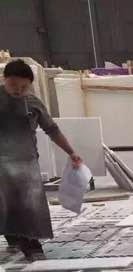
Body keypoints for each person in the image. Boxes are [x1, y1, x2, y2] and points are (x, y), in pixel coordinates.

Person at [1, 59, 83, 260]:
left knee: (30, 204)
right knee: (6, 203)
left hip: (26, 162)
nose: (18, 90)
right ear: (4, 80)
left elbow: (52, 129)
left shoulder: (33, 103)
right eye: (13, 85)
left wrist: (71, 152)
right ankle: (13, 236)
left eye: (24, 86)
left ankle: (32, 243)